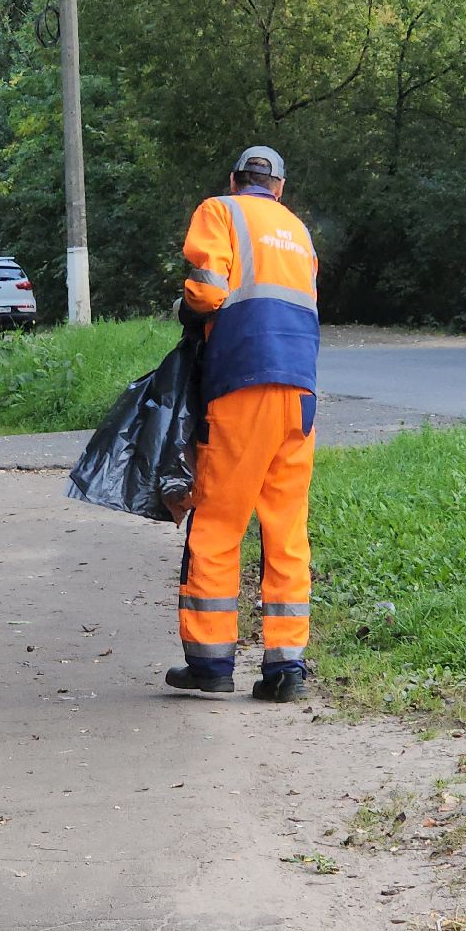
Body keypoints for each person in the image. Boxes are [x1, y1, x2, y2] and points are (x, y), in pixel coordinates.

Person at [166, 145, 320, 703]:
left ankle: (210, 662)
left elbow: (207, 290)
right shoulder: (298, 232)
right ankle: (286, 669)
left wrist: (190, 308)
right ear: (279, 187)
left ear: (235, 179)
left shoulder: (221, 210)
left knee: (218, 519)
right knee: (285, 530)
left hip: (241, 385)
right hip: (299, 393)